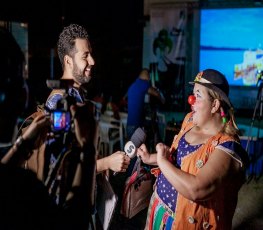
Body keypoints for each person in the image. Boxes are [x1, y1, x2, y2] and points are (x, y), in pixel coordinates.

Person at [0, 26, 95, 230]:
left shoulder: (74, 98)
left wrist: (22, 146)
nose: (93, 62)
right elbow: (59, 175)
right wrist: (88, 150)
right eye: (18, 80)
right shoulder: (59, 102)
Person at [137, 69, 249, 230]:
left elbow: (197, 189)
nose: (191, 100)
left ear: (215, 105)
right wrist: (151, 158)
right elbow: (177, 157)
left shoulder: (227, 148)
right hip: (160, 210)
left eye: (198, 95)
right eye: (193, 94)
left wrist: (161, 162)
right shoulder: (189, 120)